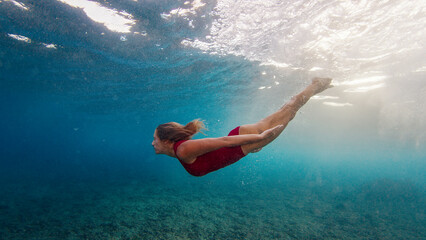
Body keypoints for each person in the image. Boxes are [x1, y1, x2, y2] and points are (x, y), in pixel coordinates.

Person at [152, 77, 332, 177]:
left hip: (242, 140)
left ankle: (315, 84)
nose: (152, 143)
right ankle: (316, 87)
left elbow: (223, 140)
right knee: (288, 112)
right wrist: (250, 144)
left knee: (289, 111)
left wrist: (258, 138)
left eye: (155, 139)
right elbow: (217, 153)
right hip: (243, 143)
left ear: (167, 140)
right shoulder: (180, 151)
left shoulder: (183, 149)